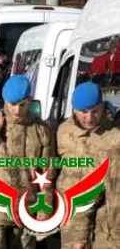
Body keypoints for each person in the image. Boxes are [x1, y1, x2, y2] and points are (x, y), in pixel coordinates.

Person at [0, 75, 56, 249]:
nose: (17, 110)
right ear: (4, 101)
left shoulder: (41, 130)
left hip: (27, 207)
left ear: (30, 100)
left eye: (22, 105)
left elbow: (47, 173)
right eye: (12, 104)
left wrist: (44, 213)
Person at [56, 82, 120, 248]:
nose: (90, 118)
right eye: (84, 112)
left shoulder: (114, 138)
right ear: (74, 110)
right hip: (70, 219)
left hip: (104, 225)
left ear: (102, 107)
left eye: (95, 111)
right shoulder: (63, 132)